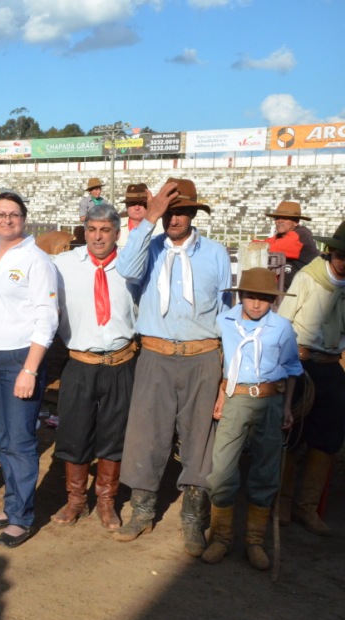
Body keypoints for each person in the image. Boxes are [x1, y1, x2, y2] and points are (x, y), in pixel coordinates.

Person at [113, 178, 231, 556]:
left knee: (200, 438)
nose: (174, 218)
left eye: (181, 211)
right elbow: (125, 270)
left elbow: (227, 313)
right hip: (156, 353)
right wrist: (149, 218)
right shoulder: (148, 248)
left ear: (194, 214)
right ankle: (142, 511)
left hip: (203, 355)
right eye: (169, 210)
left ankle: (194, 521)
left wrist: (227, 374)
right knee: (147, 432)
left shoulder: (215, 253)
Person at [0, 192, 58, 547]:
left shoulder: (37, 261)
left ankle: (21, 517)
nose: (7, 220)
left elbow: (46, 318)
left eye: (14, 214)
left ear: (24, 218)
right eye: (1, 214)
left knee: (20, 441)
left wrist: (30, 370)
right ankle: (12, 505)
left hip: (19, 359)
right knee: (2, 440)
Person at [202, 268, 301, 569]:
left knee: (266, 469)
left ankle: (255, 541)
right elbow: (218, 358)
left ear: (273, 300)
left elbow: (293, 369)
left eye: (264, 299)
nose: (256, 304)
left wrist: (286, 408)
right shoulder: (225, 321)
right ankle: (221, 536)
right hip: (235, 399)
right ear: (240, 296)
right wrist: (221, 393)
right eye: (251, 297)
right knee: (221, 470)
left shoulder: (282, 328)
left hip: (269, 401)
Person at [52, 204, 139, 532]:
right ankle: (76, 500)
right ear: (84, 231)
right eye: (92, 230)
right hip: (80, 363)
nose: (98, 236)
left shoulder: (132, 266)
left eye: (105, 230)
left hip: (121, 362)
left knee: (114, 435)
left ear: (117, 233)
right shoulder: (63, 265)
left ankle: (106, 502)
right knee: (74, 433)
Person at [276, 221, 345, 536]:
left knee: (328, 438)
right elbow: (283, 323)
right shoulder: (306, 278)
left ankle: (307, 507)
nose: (344, 261)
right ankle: (284, 503)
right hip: (301, 364)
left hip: (332, 365)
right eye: (341, 254)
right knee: (293, 434)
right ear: (330, 251)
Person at [263, 201, 319, 289]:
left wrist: (256, 245)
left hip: (304, 291)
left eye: (285, 218)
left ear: (296, 222)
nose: (280, 221)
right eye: (277, 218)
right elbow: (261, 244)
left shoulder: (301, 235)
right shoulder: (281, 236)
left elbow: (267, 248)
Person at [116, 183, 148, 248]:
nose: (137, 208)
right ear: (126, 205)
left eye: (141, 203)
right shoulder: (116, 226)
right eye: (132, 203)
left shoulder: (160, 226)